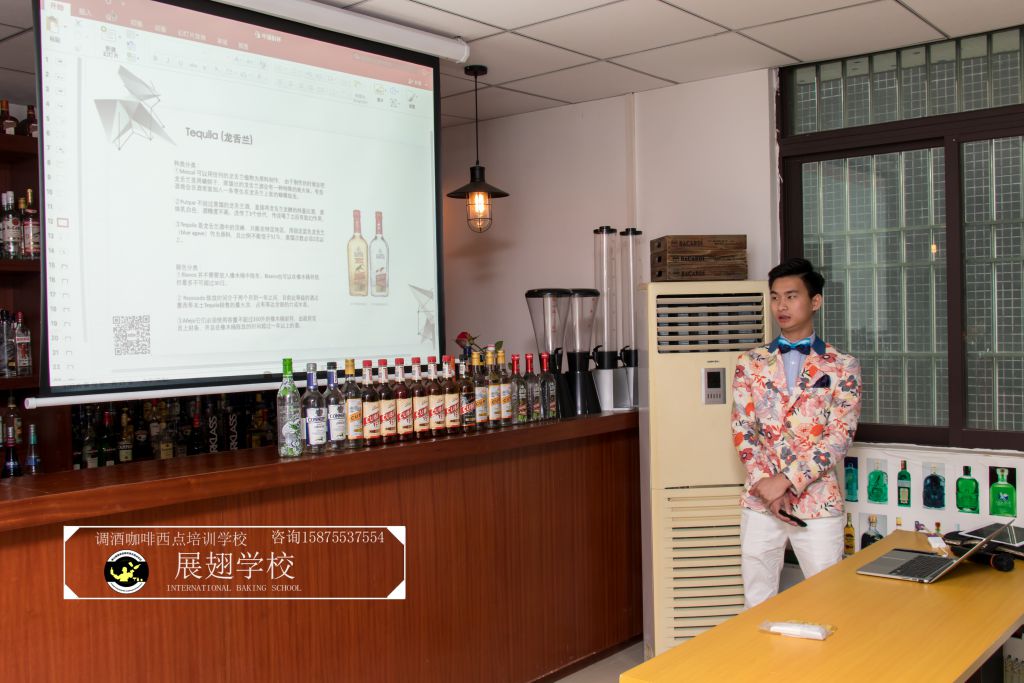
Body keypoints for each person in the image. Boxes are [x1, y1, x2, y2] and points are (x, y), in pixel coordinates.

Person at [731, 257, 862, 608]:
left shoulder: (842, 365)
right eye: (775, 297)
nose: (781, 306)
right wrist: (768, 487)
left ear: (815, 301)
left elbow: (839, 436)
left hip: (818, 500)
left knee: (827, 602)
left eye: (791, 296)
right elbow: (743, 429)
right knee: (756, 602)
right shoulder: (749, 363)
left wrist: (786, 481)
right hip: (761, 501)